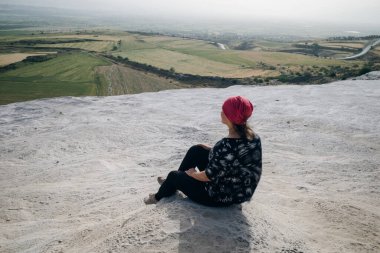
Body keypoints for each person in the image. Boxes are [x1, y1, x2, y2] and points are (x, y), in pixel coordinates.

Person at [144, 96, 262, 207]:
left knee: (173, 175)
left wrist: (192, 174)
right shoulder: (254, 138)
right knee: (197, 150)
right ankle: (172, 184)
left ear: (230, 117)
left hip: (218, 197)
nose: (221, 112)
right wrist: (212, 150)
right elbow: (234, 156)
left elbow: (208, 176)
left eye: (223, 110)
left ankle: (158, 196)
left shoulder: (223, 146)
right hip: (239, 191)